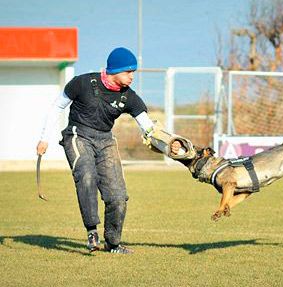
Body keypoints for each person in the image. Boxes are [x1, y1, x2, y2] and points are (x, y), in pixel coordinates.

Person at [37, 47, 180, 254]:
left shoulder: (129, 97)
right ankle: (92, 231)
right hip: (78, 135)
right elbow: (57, 107)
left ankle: (112, 243)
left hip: (105, 140)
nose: (132, 76)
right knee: (86, 175)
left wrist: (170, 145)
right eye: (128, 72)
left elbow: (148, 128)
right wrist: (44, 138)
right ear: (115, 70)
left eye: (133, 72)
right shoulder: (82, 83)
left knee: (118, 195)